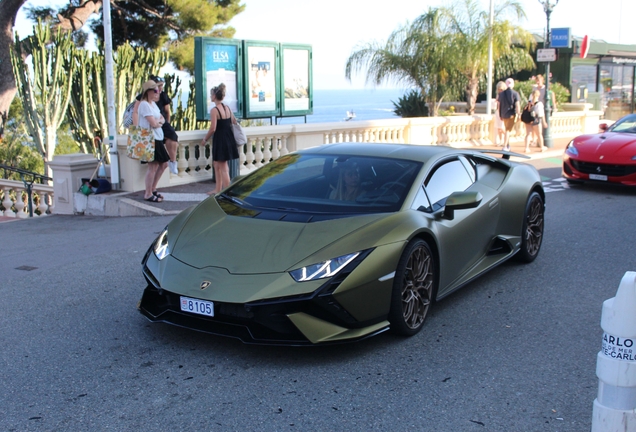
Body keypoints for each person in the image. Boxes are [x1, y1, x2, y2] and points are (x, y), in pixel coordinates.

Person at [132, 76, 179, 175]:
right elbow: (137, 113)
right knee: (153, 165)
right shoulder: (144, 101)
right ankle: (149, 190)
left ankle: (173, 161)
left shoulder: (159, 99)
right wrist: (136, 129)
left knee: (173, 136)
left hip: (160, 126)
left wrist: (163, 123)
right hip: (150, 130)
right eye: (158, 88)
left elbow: (165, 113)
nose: (159, 90)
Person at [201, 83, 239, 195]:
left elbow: (213, 128)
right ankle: (218, 189)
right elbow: (234, 121)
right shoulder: (227, 108)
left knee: (223, 167)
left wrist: (205, 139)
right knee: (216, 164)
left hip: (220, 139)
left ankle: (227, 192)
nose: (210, 96)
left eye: (211, 94)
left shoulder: (214, 110)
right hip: (228, 138)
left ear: (214, 96)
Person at [136, 80, 169, 202]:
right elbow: (154, 123)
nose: (158, 93)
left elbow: (162, 119)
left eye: (159, 90)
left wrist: (159, 122)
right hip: (150, 139)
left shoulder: (153, 104)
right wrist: (158, 123)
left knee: (164, 164)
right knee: (153, 167)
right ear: (148, 92)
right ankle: (148, 193)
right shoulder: (144, 104)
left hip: (158, 137)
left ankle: (152, 189)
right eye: (155, 90)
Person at [497, 78, 521, 152]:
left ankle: (507, 145)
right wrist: (519, 114)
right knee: (508, 130)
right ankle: (505, 146)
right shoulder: (515, 93)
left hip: (504, 114)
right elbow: (517, 105)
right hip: (511, 114)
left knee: (507, 129)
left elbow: (499, 105)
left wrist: (500, 114)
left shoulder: (501, 94)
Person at [494, 81, 507, 146]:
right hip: (497, 112)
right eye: (499, 89)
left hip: (502, 112)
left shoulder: (505, 95)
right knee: (498, 127)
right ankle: (501, 140)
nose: (500, 90)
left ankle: (507, 138)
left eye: (501, 89)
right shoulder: (498, 95)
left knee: (502, 127)